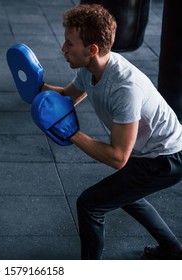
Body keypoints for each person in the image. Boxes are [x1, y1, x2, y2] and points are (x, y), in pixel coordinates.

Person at [41, 4, 182, 259]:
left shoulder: (125, 88)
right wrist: (36, 87)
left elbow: (118, 157)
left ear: (91, 50)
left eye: (69, 44)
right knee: (127, 195)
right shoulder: (89, 69)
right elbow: (65, 97)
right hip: (147, 150)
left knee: (90, 204)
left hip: (165, 157)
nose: (63, 49)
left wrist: (72, 133)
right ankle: (173, 249)